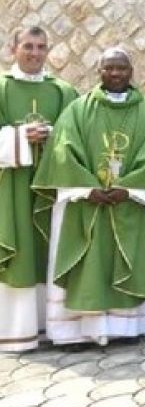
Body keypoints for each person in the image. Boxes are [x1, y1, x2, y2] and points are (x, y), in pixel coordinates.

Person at [35, 48, 145, 347]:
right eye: (109, 68)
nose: (115, 73)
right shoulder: (78, 110)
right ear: (99, 71)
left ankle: (126, 328)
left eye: (121, 68)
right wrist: (86, 189)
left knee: (128, 259)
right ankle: (76, 332)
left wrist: (129, 188)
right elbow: (63, 149)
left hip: (131, 202)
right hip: (85, 202)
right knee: (88, 266)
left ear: (131, 71)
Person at [0, 27, 78, 352]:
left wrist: (54, 135)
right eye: (28, 46)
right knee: (20, 251)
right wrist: (19, 137)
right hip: (11, 188)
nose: (35, 53)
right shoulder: (2, 87)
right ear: (13, 49)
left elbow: (78, 135)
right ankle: (17, 331)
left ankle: (54, 326)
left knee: (51, 248)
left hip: (51, 188)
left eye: (41, 47)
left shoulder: (63, 91)